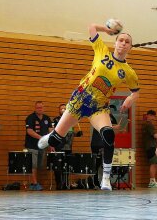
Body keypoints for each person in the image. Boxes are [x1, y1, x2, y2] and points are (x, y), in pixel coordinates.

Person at [38, 21, 140, 191]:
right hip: (80, 99)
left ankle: (105, 178)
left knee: (108, 135)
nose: (123, 43)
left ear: (130, 47)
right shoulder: (101, 50)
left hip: (98, 106)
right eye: (120, 40)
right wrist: (107, 30)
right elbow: (91, 27)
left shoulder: (128, 72)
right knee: (57, 139)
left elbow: (136, 91)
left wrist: (131, 98)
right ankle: (49, 137)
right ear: (115, 43)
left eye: (127, 42)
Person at [52, 103, 82, 190]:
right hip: (59, 146)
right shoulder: (56, 120)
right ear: (59, 110)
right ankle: (59, 184)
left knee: (67, 166)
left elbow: (70, 134)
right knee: (58, 166)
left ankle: (65, 183)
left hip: (68, 147)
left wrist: (77, 134)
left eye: (65, 108)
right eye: (62, 109)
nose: (63, 110)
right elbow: (53, 132)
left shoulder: (71, 121)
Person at [25, 101, 52, 191]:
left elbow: (51, 131)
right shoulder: (30, 118)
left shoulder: (47, 118)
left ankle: (34, 183)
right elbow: (29, 131)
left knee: (40, 165)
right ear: (35, 108)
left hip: (43, 146)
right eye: (38, 108)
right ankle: (34, 183)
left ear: (43, 108)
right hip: (32, 145)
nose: (40, 109)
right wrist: (41, 138)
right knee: (33, 165)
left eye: (41, 107)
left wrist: (51, 142)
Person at [142, 110, 157, 188]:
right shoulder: (149, 125)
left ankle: (152, 181)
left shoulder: (145, 124)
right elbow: (155, 135)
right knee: (154, 163)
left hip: (149, 146)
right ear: (149, 115)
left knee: (155, 163)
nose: (154, 118)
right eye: (153, 116)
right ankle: (152, 181)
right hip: (151, 146)